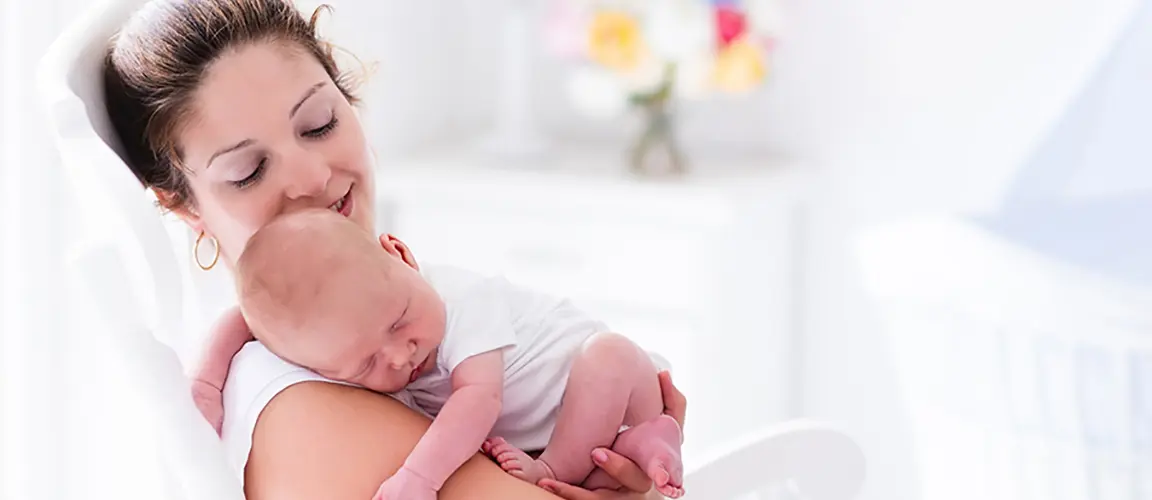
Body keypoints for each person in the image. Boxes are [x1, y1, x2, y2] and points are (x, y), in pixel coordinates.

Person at [102, 1, 689, 499]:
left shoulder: (398, 300)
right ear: (185, 208)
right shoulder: (295, 402)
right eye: (249, 170)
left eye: (318, 124)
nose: (309, 176)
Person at [195, 209, 685, 499]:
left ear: (403, 256)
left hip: (616, 382)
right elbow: (244, 320)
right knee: (614, 468)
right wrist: (205, 383)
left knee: (607, 355)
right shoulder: (331, 332)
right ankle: (644, 442)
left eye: (399, 320)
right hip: (581, 436)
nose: (401, 355)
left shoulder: (460, 303)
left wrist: (419, 477)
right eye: (367, 363)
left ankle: (582, 458)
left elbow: (479, 399)